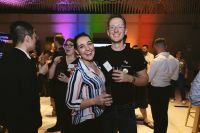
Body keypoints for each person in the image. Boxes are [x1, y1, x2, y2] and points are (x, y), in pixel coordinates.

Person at [95, 14, 149, 133]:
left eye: (119, 27)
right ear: (108, 32)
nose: (115, 30)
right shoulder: (100, 53)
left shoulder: (135, 54)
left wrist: (130, 78)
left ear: (125, 31)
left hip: (127, 108)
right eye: (112, 27)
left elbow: (145, 80)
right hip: (105, 108)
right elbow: (83, 55)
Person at [0, 21, 49, 133]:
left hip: (11, 118)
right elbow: (33, 91)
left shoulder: (6, 57)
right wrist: (41, 74)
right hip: (26, 119)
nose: (36, 40)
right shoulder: (27, 62)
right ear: (27, 38)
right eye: (34, 37)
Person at [66, 32, 113, 133]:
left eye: (89, 43)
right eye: (82, 46)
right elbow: (70, 103)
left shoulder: (96, 64)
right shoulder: (77, 71)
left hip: (99, 116)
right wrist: (95, 101)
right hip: (85, 123)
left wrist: (103, 98)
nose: (88, 48)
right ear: (77, 51)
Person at [148, 38, 179, 133]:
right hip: (167, 89)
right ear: (166, 46)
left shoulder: (156, 60)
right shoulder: (175, 60)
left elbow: (149, 78)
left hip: (156, 90)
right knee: (163, 114)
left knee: (157, 116)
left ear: (155, 47)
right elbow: (175, 77)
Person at [48, 38, 78, 133]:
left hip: (73, 95)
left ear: (75, 48)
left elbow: (81, 82)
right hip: (59, 93)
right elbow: (50, 76)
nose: (68, 47)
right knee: (61, 119)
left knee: (71, 120)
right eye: (66, 45)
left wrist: (67, 80)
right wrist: (54, 63)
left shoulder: (79, 62)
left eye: (71, 45)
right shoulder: (59, 59)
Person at [47, 33, 66, 132]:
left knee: (59, 106)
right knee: (59, 106)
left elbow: (57, 69)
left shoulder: (59, 52)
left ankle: (60, 125)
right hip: (59, 82)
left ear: (55, 41)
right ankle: (59, 124)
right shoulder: (61, 52)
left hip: (58, 83)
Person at [134, 44, 154, 129]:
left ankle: (146, 119)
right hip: (132, 85)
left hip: (141, 85)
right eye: (133, 50)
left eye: (136, 50)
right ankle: (133, 116)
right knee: (131, 103)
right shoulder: (129, 60)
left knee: (142, 103)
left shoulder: (143, 61)